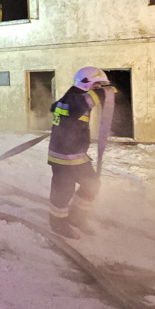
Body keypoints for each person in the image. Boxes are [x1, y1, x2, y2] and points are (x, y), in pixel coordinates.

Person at [46, 66, 113, 239]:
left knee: (92, 184)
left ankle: (76, 217)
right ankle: (58, 224)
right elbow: (74, 107)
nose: (98, 90)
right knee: (63, 192)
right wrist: (101, 94)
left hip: (76, 155)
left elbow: (55, 107)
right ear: (85, 84)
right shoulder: (73, 99)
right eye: (96, 86)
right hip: (62, 157)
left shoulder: (73, 98)